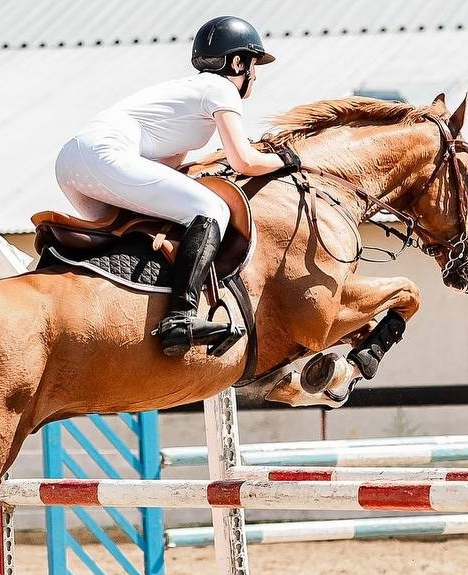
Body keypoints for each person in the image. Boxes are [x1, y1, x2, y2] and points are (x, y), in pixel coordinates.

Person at [55, 15, 300, 356]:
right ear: (237, 62)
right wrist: (286, 159)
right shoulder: (221, 88)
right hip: (103, 156)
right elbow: (245, 161)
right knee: (212, 209)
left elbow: (168, 170)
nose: (254, 76)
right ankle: (180, 318)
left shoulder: (184, 99)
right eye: (253, 66)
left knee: (136, 231)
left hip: (73, 164)